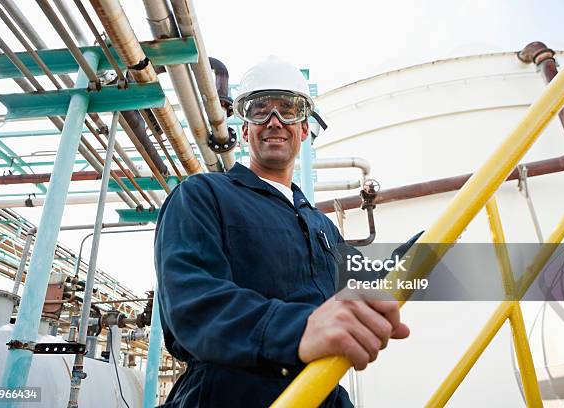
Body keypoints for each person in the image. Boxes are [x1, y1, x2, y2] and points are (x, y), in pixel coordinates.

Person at [154, 56, 410, 408]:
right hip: (225, 396)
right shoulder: (203, 195)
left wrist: (435, 253)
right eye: (260, 110)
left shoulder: (322, 227)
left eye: (287, 109)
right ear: (245, 129)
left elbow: (368, 281)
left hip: (319, 392)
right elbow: (192, 304)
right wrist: (300, 329)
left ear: (304, 128)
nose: (274, 121)